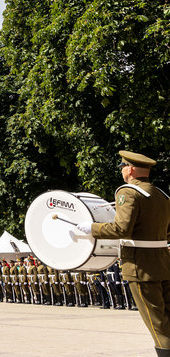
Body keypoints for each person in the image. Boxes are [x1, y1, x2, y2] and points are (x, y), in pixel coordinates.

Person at [76, 150, 170, 356]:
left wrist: (92, 228)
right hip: (163, 265)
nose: (121, 170)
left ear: (131, 169)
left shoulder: (128, 192)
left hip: (140, 268)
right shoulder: (160, 195)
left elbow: (121, 229)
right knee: (167, 318)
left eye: (122, 166)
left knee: (157, 324)